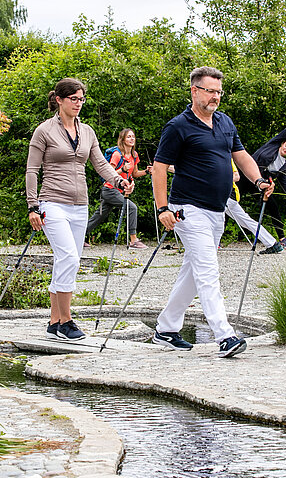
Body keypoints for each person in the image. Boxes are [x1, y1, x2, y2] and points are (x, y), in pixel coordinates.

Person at [151, 66, 273, 358]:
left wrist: (258, 180)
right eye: (210, 91)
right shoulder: (178, 126)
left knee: (193, 273)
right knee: (208, 270)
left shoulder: (225, 122)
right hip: (187, 209)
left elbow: (241, 155)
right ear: (194, 91)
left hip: (216, 211)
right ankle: (225, 335)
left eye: (219, 91)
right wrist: (162, 208)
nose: (216, 96)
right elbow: (158, 169)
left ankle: (166, 329)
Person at [26, 78, 130, 341]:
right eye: (73, 98)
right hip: (52, 202)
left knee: (67, 261)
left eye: (81, 99)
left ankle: (53, 322)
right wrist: (32, 206)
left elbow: (101, 165)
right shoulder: (44, 131)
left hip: (79, 204)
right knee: (69, 257)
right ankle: (66, 322)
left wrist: (119, 180)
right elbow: (32, 170)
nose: (78, 103)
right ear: (59, 100)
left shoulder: (88, 132)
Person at [86, 128, 153, 249]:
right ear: (122, 140)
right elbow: (107, 174)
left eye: (133, 136)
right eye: (128, 137)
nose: (132, 139)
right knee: (132, 208)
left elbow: (135, 173)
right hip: (110, 189)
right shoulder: (117, 155)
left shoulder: (134, 155)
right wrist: (122, 169)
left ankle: (78, 237)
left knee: (98, 216)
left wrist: (147, 172)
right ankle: (133, 240)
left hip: (118, 191)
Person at [225, 163, 280, 253]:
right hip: (222, 196)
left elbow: (236, 177)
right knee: (246, 221)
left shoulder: (226, 157)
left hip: (228, 197)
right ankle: (272, 243)